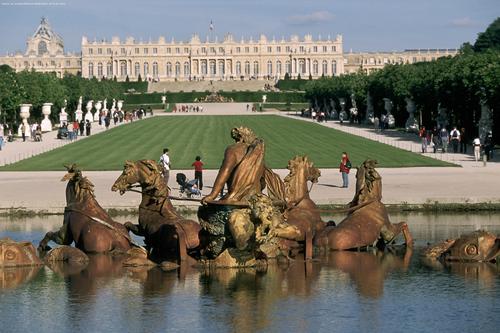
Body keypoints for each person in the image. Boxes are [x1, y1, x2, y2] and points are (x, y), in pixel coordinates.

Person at [201, 127, 265, 205]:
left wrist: (213, 195)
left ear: (240, 138)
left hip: (237, 199)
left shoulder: (233, 150)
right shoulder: (257, 154)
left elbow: (225, 171)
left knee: (205, 211)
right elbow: (262, 182)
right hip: (256, 198)